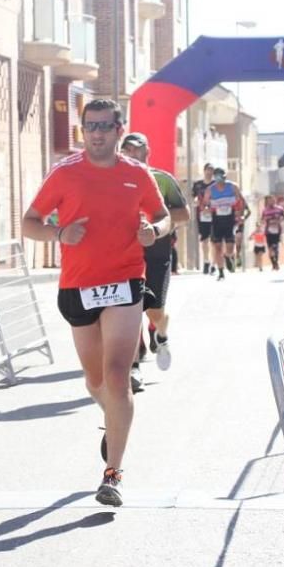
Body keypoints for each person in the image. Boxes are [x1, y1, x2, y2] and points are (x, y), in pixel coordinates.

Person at [21, 99, 169, 508]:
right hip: (78, 286)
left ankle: (113, 473)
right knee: (95, 381)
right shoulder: (65, 174)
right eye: (91, 127)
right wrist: (59, 235)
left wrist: (152, 231)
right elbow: (29, 223)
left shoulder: (137, 175)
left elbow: (164, 216)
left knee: (118, 376)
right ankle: (114, 419)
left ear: (120, 130)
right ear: (83, 131)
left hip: (125, 281)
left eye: (105, 126)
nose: (98, 133)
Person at [119, 132, 190, 390]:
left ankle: (158, 331)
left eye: (135, 149)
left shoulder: (162, 180)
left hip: (158, 252)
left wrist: (156, 220)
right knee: (130, 306)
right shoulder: (115, 180)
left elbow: (184, 214)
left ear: (146, 152)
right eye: (125, 149)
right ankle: (134, 365)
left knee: (155, 310)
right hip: (126, 254)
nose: (130, 153)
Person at [207, 166, 248, 281]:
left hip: (230, 219)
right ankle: (221, 272)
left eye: (223, 178)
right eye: (218, 178)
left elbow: (242, 201)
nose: (221, 181)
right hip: (217, 220)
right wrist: (206, 208)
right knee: (218, 247)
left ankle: (228, 256)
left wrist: (241, 214)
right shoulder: (210, 190)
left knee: (230, 247)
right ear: (215, 178)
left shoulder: (233, 187)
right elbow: (204, 203)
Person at [192, 163, 216, 275]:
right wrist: (196, 201)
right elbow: (193, 197)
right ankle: (206, 261)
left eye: (212, 170)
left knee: (215, 240)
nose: (209, 172)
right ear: (204, 170)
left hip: (215, 215)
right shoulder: (197, 185)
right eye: (208, 170)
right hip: (202, 215)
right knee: (204, 239)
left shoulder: (216, 184)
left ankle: (214, 264)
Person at [261, 195, 284, 270]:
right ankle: (274, 263)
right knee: (270, 248)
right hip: (268, 231)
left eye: (272, 200)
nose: (271, 201)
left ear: (275, 200)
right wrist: (266, 220)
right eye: (269, 200)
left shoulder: (280, 209)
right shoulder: (265, 210)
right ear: (267, 201)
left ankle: (276, 262)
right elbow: (262, 220)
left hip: (277, 230)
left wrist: (279, 221)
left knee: (275, 246)